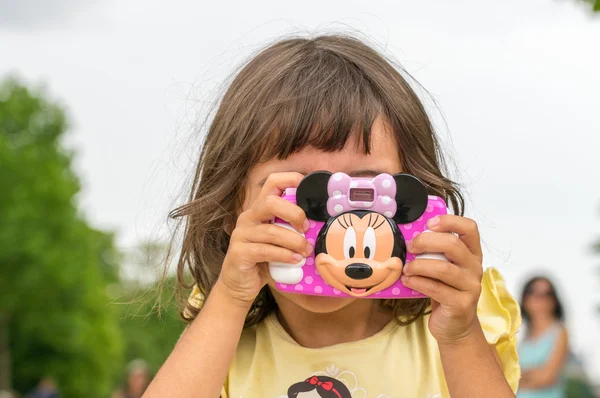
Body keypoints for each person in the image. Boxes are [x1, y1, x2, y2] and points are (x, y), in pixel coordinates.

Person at [144, 34, 521, 397]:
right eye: (300, 194)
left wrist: (460, 335)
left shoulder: (452, 329)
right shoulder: (220, 342)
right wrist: (229, 299)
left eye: (363, 195)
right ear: (230, 209)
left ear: (410, 204)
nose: (332, 226)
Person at [517, 277, 569, 398]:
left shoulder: (560, 331)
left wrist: (518, 375)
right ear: (525, 298)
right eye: (532, 291)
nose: (539, 298)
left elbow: (547, 378)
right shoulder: (522, 334)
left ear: (554, 300)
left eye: (547, 293)